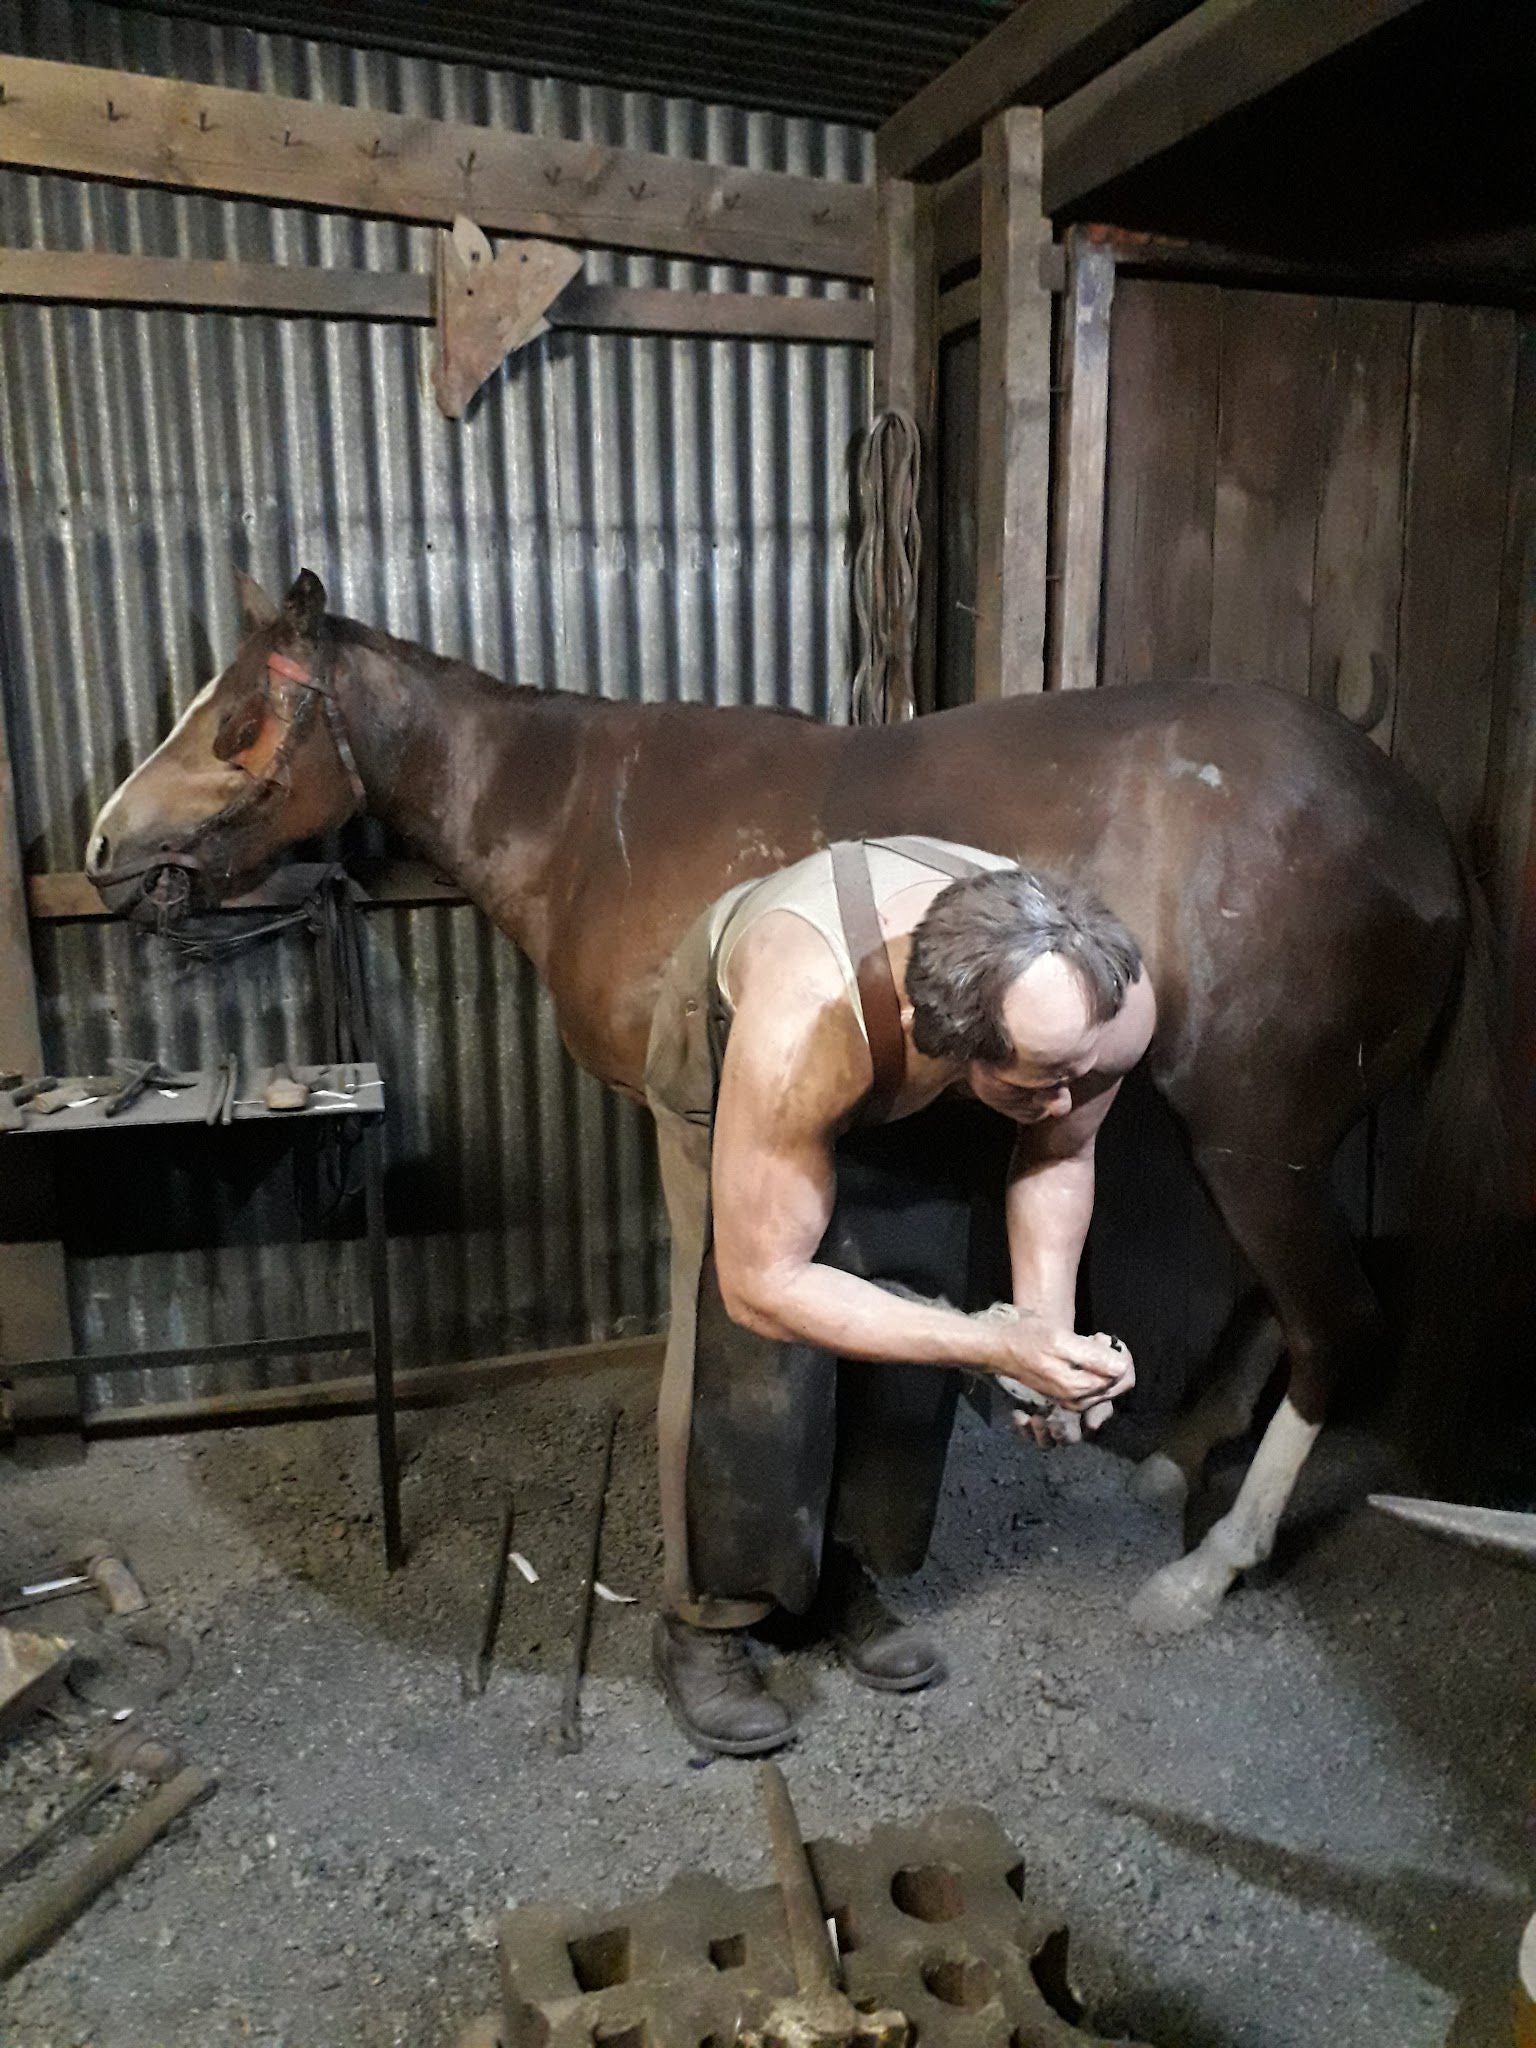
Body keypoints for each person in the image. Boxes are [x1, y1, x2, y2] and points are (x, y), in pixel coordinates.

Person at [643, 837, 1155, 1753]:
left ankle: (838, 1569)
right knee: (749, 1352)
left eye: (1077, 1075)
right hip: (749, 1036)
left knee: (921, 1293)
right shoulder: (805, 1022)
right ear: (955, 1049)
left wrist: (1041, 1337)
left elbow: (1060, 1150)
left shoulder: (1099, 1011)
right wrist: (994, 1346)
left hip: (929, 1050)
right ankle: (709, 1617)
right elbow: (763, 1286)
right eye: (1043, 1085)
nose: (1067, 1098)